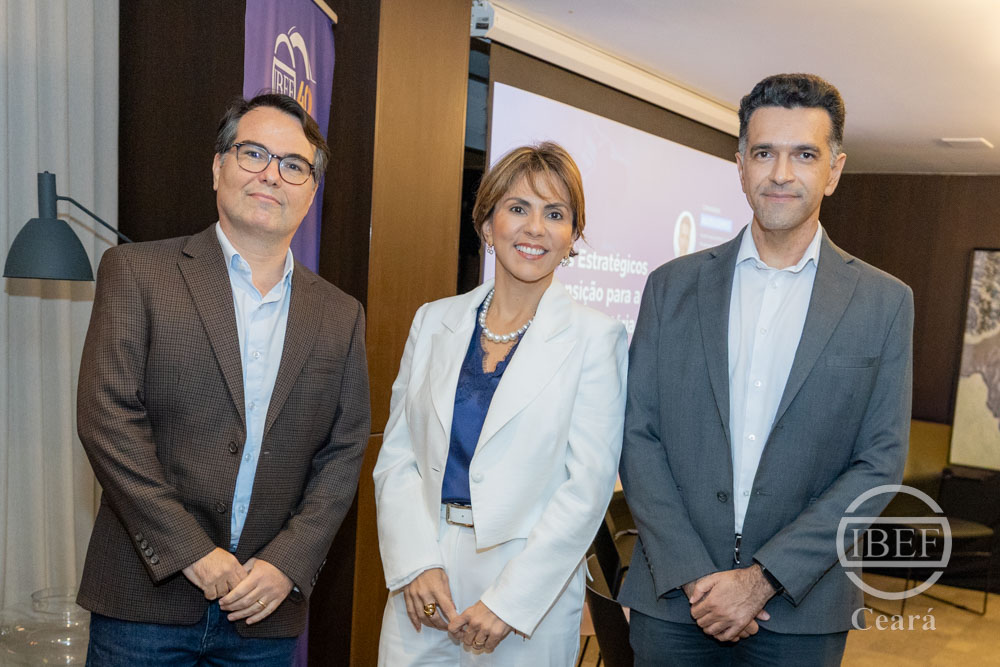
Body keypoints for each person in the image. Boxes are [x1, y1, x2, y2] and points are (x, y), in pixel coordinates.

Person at [619, 73, 913, 665]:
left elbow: (878, 462)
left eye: (804, 154)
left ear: (834, 170)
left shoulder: (884, 302)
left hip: (803, 609)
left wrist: (763, 579)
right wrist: (696, 576)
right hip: (674, 601)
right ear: (740, 165)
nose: (781, 173)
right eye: (763, 153)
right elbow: (638, 435)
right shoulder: (670, 288)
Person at [76, 93, 370, 665]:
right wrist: (191, 550)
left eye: (293, 165)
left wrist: (288, 561)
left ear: (311, 191)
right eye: (253, 153)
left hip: (264, 610)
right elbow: (106, 420)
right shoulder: (138, 272)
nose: (271, 175)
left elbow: (343, 451)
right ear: (218, 167)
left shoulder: (341, 314)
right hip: (144, 603)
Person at [373, 142, 627, 665]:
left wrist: (509, 602)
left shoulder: (596, 338)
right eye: (518, 208)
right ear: (488, 225)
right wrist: (415, 563)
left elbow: (587, 488)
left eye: (554, 214)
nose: (535, 228)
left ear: (571, 237)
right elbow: (397, 455)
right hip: (424, 580)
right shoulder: (433, 320)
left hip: (526, 593)